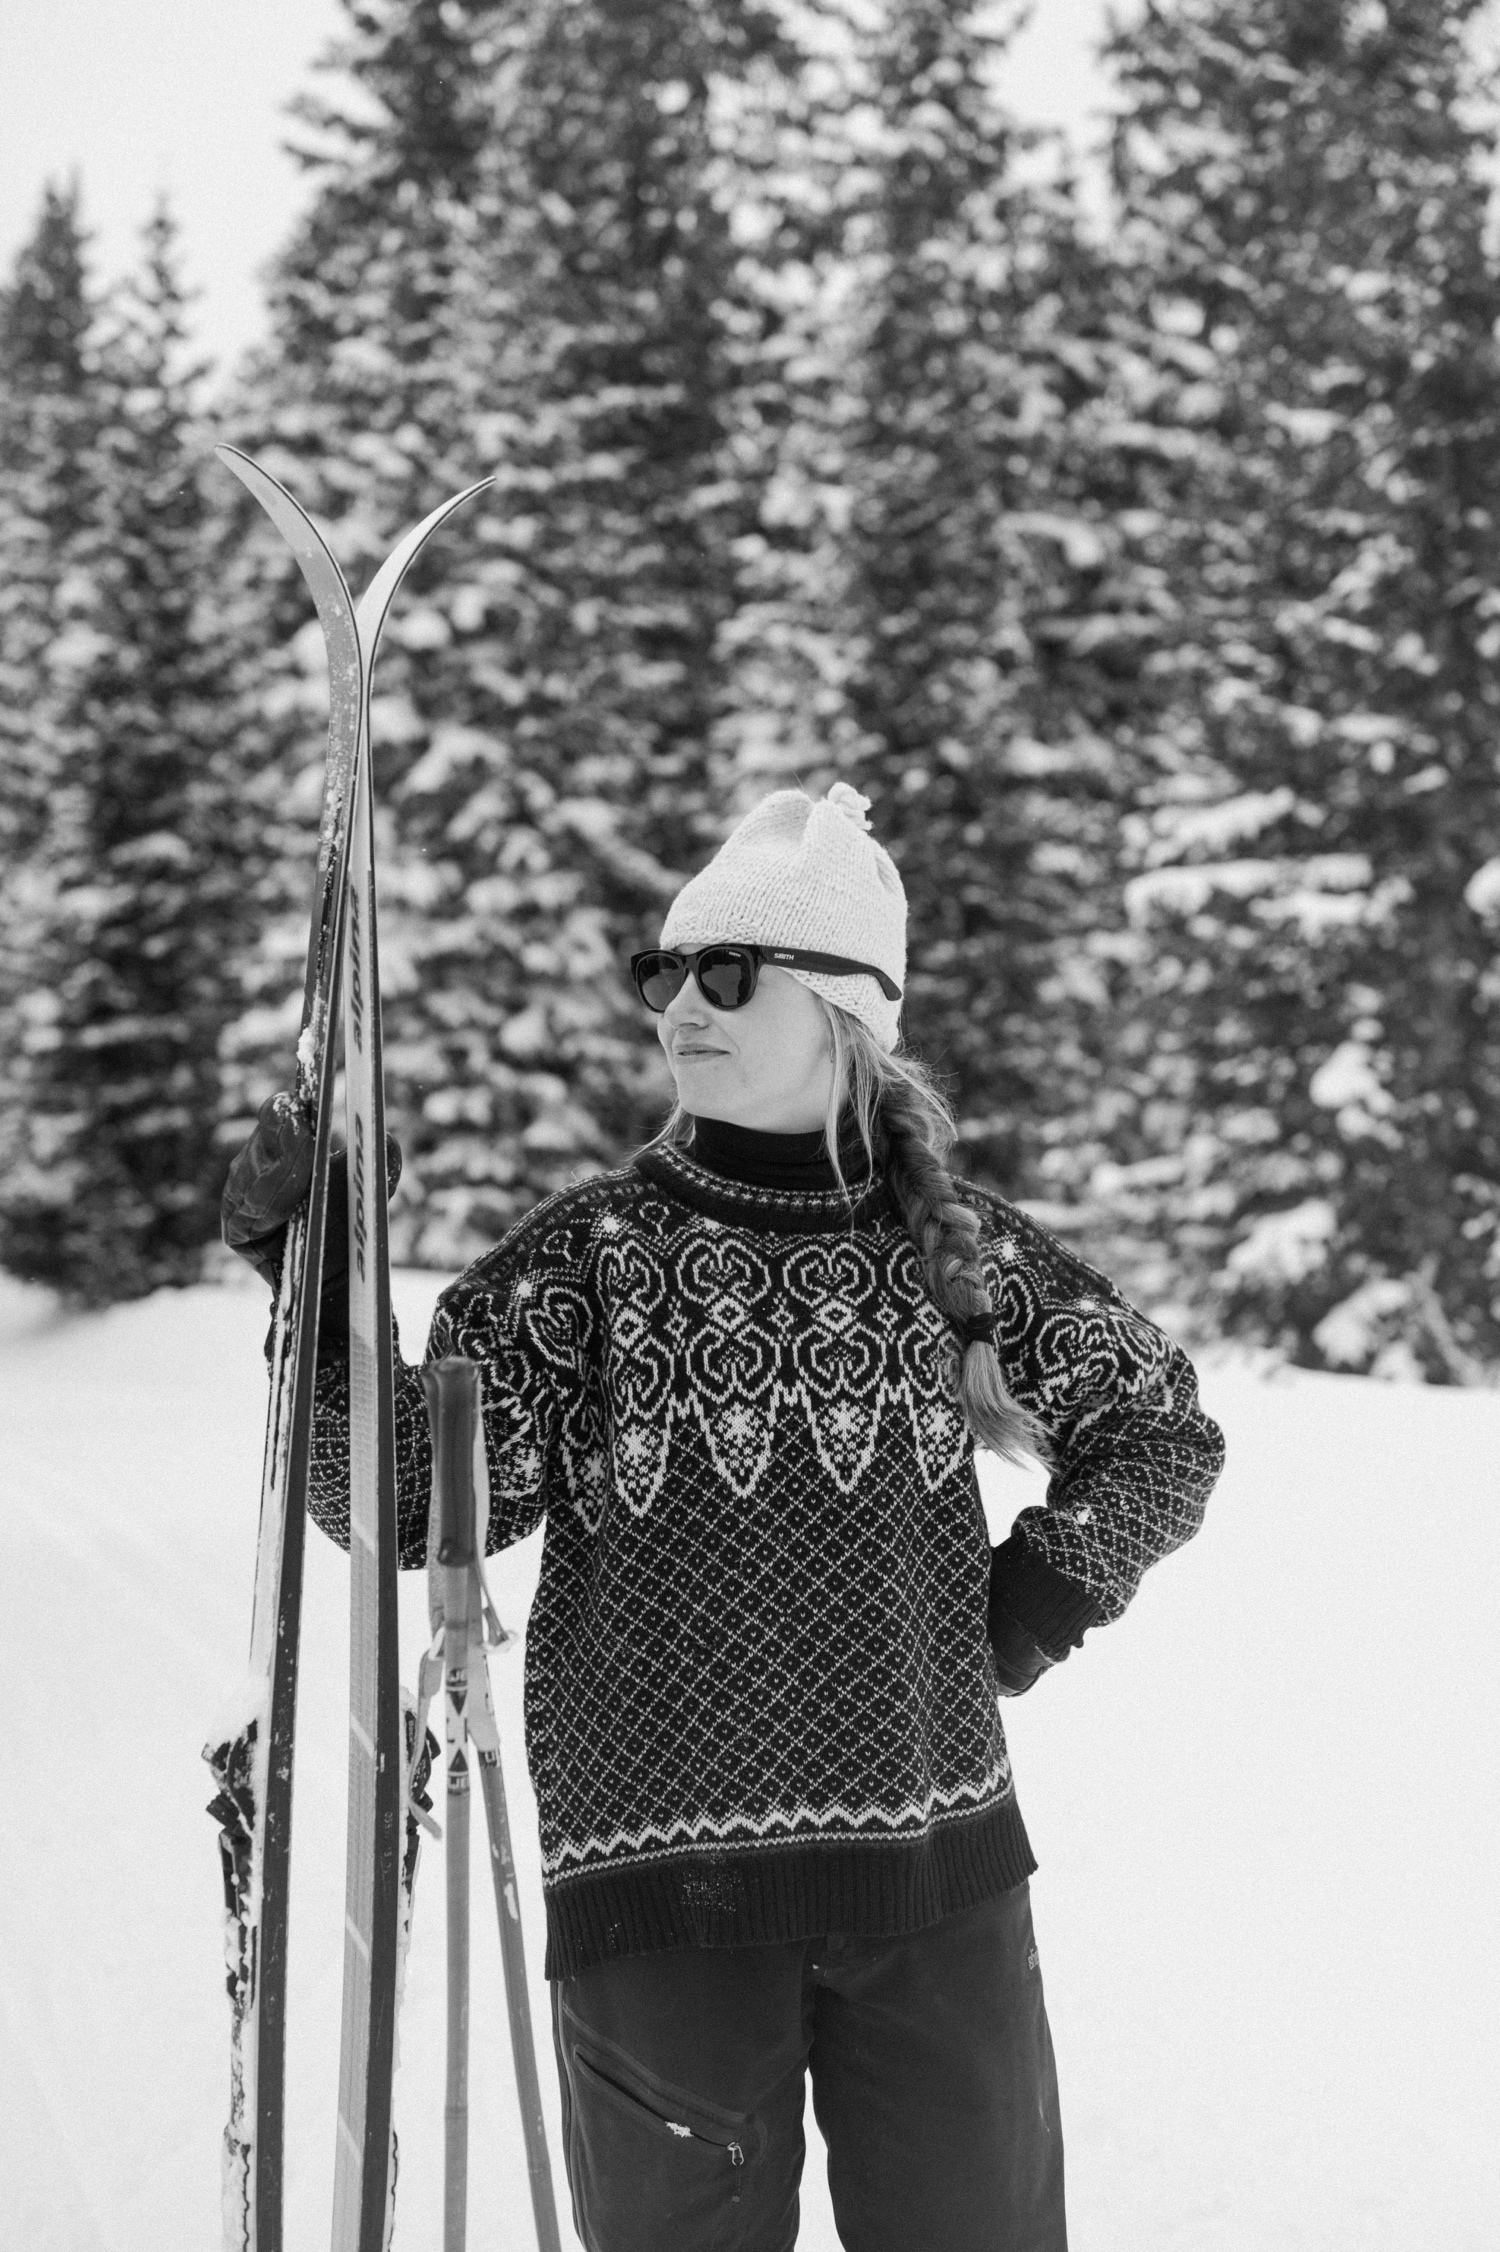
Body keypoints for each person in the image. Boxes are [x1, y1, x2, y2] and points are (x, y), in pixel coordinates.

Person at [224, 780, 1224, 2252]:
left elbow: (1160, 1429)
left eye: (727, 974)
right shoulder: (585, 1265)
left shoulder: (954, 1250)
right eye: (667, 972)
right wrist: (309, 1295)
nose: (681, 1004)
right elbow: (394, 1501)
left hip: (934, 1890)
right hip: (657, 1906)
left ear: (844, 1012)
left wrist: (1027, 1609)